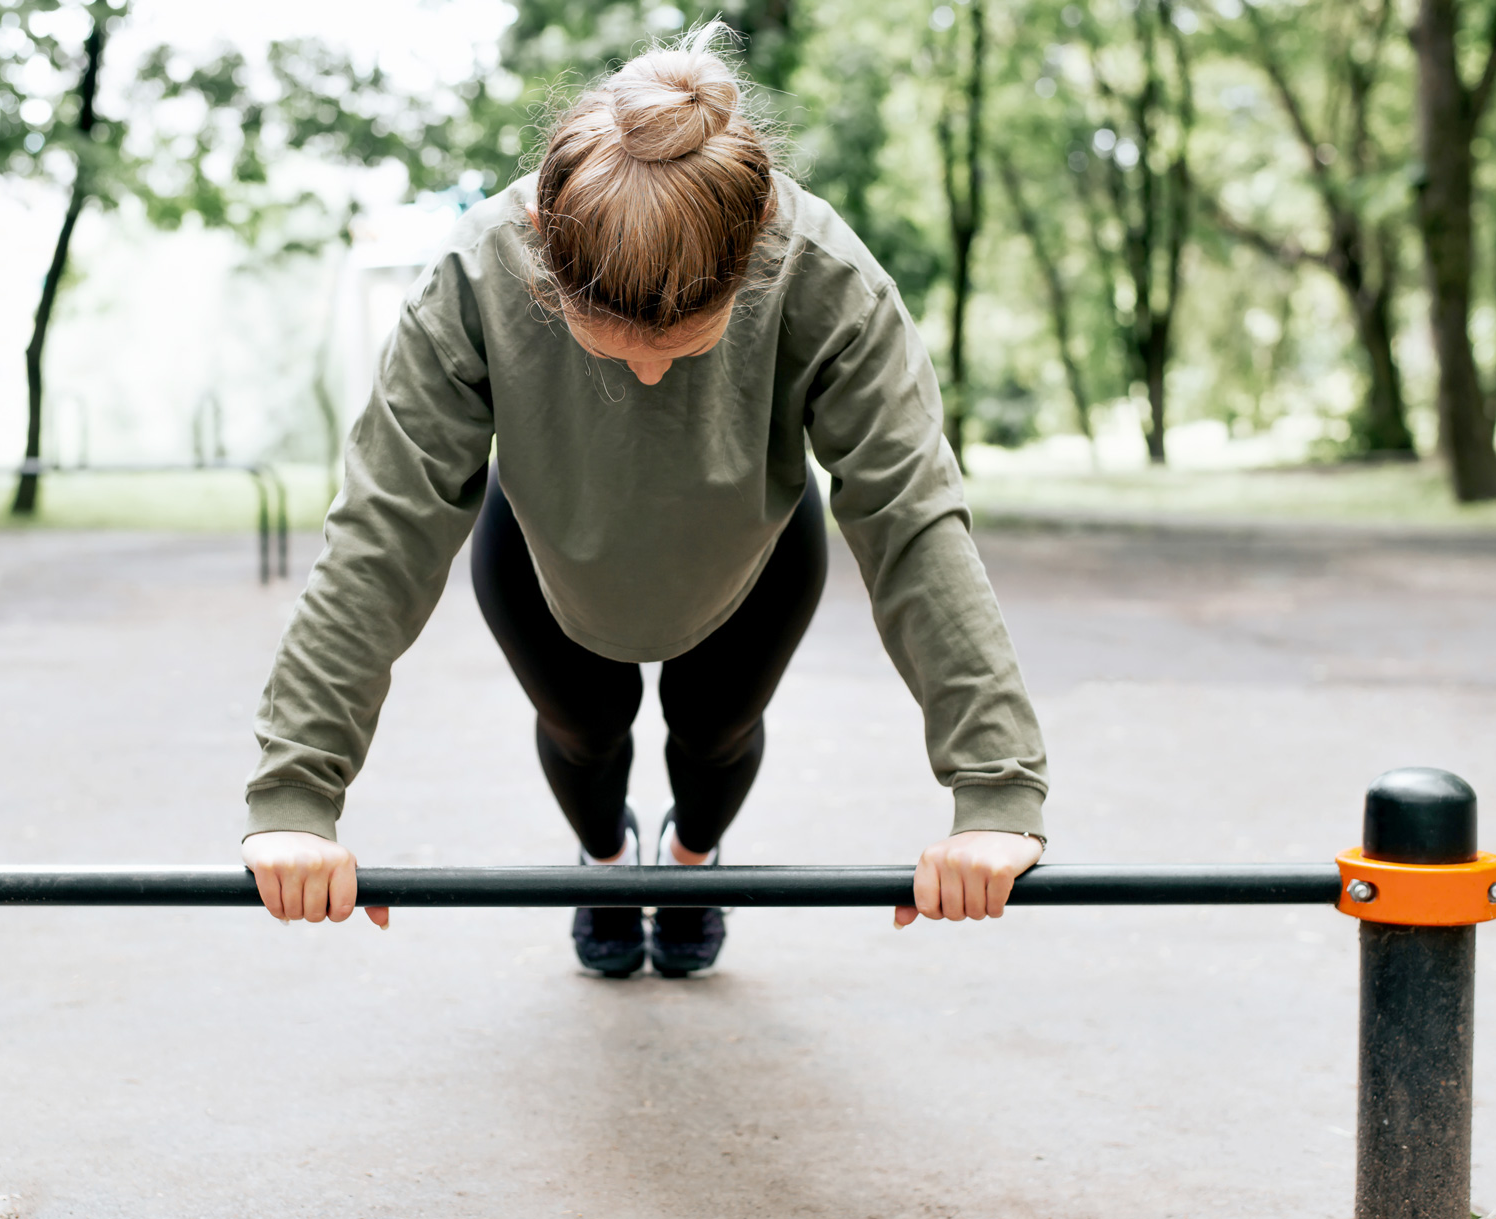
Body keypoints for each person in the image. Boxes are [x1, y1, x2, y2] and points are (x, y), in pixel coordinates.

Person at [242, 27, 1048, 977]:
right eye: (616, 342)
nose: (653, 371)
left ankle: (689, 864)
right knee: (584, 731)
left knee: (714, 737)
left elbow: (913, 518)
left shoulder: (823, 274)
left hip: (756, 553)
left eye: (684, 341)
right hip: (547, 550)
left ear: (750, 255)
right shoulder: (475, 274)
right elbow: (383, 529)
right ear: (548, 251)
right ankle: (610, 864)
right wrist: (296, 796)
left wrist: (996, 793)